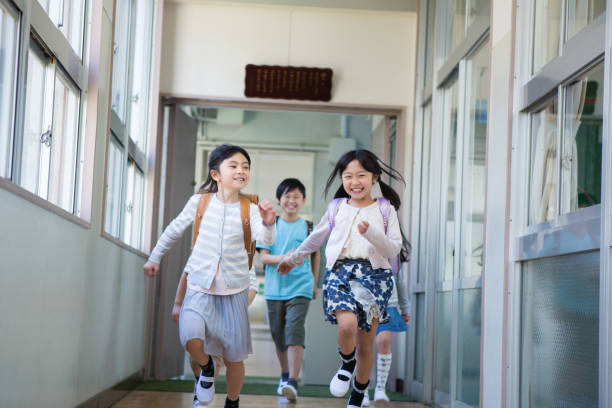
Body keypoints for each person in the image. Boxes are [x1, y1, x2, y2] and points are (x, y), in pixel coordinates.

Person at [143, 144, 276, 408]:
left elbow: (265, 240)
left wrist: (269, 223)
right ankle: (205, 369)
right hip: (199, 287)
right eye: (234, 165)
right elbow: (174, 230)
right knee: (190, 338)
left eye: (246, 166)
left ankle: (233, 401)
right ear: (216, 174)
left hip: (234, 291)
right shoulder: (199, 202)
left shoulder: (250, 207)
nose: (241, 171)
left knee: (234, 358)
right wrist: (155, 256)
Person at [278, 149, 408, 408]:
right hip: (340, 273)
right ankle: (347, 361)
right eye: (348, 176)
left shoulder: (385, 209)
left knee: (366, 342)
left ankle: (358, 393)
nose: (354, 181)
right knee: (346, 326)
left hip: (375, 278)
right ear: (342, 179)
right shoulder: (337, 207)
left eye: (361, 175)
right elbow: (316, 237)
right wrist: (293, 259)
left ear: (375, 178)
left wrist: (371, 233)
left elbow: (394, 248)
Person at [256, 178, 320, 402]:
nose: (291, 201)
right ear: (279, 200)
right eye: (287, 196)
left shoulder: (309, 226)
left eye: (296, 197)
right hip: (274, 289)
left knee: (294, 330)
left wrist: (314, 282)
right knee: (278, 334)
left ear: (303, 200)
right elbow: (263, 256)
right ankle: (284, 374)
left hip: (300, 286)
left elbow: (315, 255)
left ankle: (293, 381)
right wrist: (285, 258)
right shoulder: (270, 225)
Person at [362, 262, 411, 406]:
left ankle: (380, 389)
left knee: (383, 341)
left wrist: (405, 308)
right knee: (364, 346)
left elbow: (400, 280)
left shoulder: (393, 246)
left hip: (387, 303)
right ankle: (362, 390)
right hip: (363, 301)